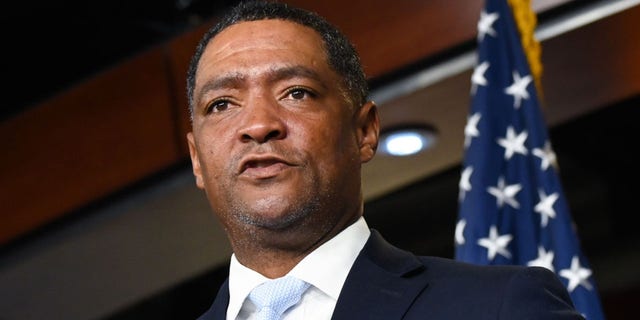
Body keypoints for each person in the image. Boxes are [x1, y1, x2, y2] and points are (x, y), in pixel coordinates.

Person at [185, 1, 583, 319]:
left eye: (296, 93)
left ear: (365, 131)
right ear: (196, 158)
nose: (258, 125)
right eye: (221, 104)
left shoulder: (501, 306)